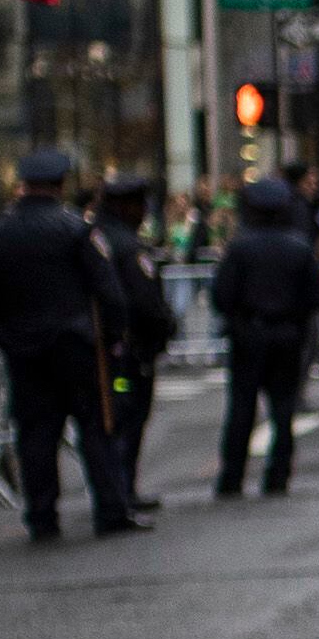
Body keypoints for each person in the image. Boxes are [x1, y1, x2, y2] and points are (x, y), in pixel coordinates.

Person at [0, 147, 141, 539]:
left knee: (35, 434)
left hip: (25, 350)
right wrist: (114, 339)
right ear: (60, 185)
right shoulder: (76, 229)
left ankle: (42, 516)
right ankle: (110, 509)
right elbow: (108, 291)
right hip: (76, 345)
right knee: (95, 428)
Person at [213, 176, 319, 496]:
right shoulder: (298, 246)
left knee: (242, 408)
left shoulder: (240, 248)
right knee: (283, 408)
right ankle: (278, 475)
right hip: (288, 334)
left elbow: (221, 295)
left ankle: (232, 477)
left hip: (249, 333)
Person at [88, 175, 176, 513]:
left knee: (116, 420)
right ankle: (120, 491)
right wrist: (162, 328)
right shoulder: (124, 246)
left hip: (113, 347)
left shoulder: (98, 238)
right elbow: (142, 302)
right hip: (129, 350)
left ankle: (120, 490)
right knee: (126, 418)